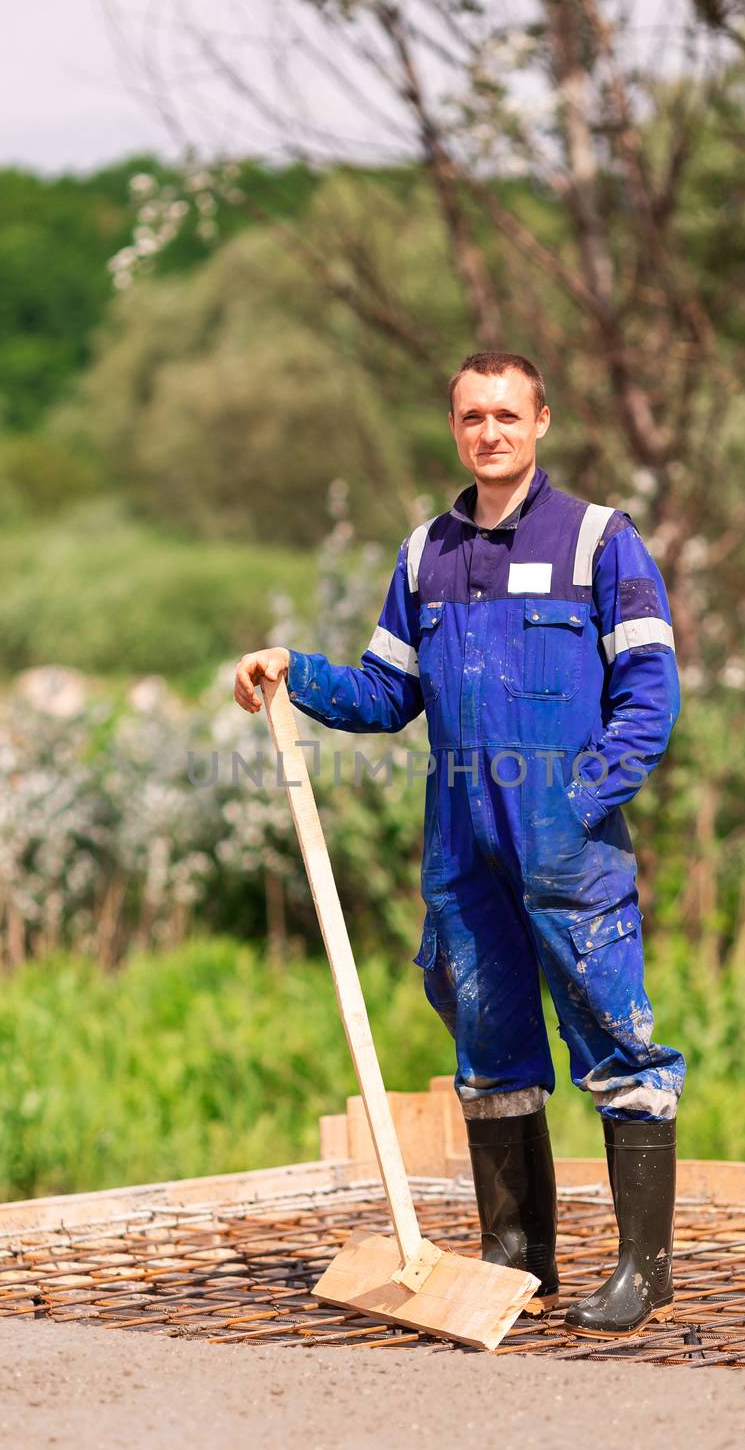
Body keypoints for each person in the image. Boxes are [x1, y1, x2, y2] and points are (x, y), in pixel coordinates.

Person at [234, 351, 685, 1337]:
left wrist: (579, 800)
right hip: (462, 850)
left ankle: (641, 1274)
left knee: (620, 1048)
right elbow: (386, 692)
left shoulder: (598, 543)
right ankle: (518, 1259)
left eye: (506, 415)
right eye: (471, 417)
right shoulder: (423, 554)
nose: (489, 432)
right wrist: (294, 670)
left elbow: (650, 698)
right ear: (454, 428)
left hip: (566, 845)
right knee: (490, 1057)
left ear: (541, 422)